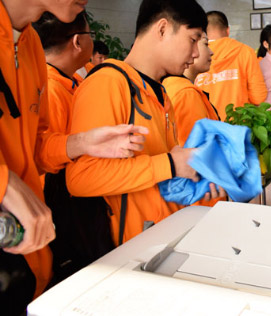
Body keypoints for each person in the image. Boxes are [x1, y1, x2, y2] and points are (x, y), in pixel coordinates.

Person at [0, 0, 147, 312]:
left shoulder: (28, 47)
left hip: (26, 251)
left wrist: (81, 143)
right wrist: (5, 183)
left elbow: (32, 145)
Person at [66, 0, 224, 248]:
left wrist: (191, 181)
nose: (195, 53)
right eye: (193, 39)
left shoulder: (158, 92)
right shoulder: (108, 83)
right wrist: (171, 164)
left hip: (161, 240)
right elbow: (81, 178)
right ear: (162, 29)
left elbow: (159, 173)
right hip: (129, 250)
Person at [194, 11, 267, 119]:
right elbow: (258, 97)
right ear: (228, 30)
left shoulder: (195, 53)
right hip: (238, 125)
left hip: (207, 125)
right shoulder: (245, 51)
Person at [163, 32, 220, 146]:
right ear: (190, 46)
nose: (211, 52)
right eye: (206, 44)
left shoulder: (170, 84)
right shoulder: (187, 94)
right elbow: (197, 151)